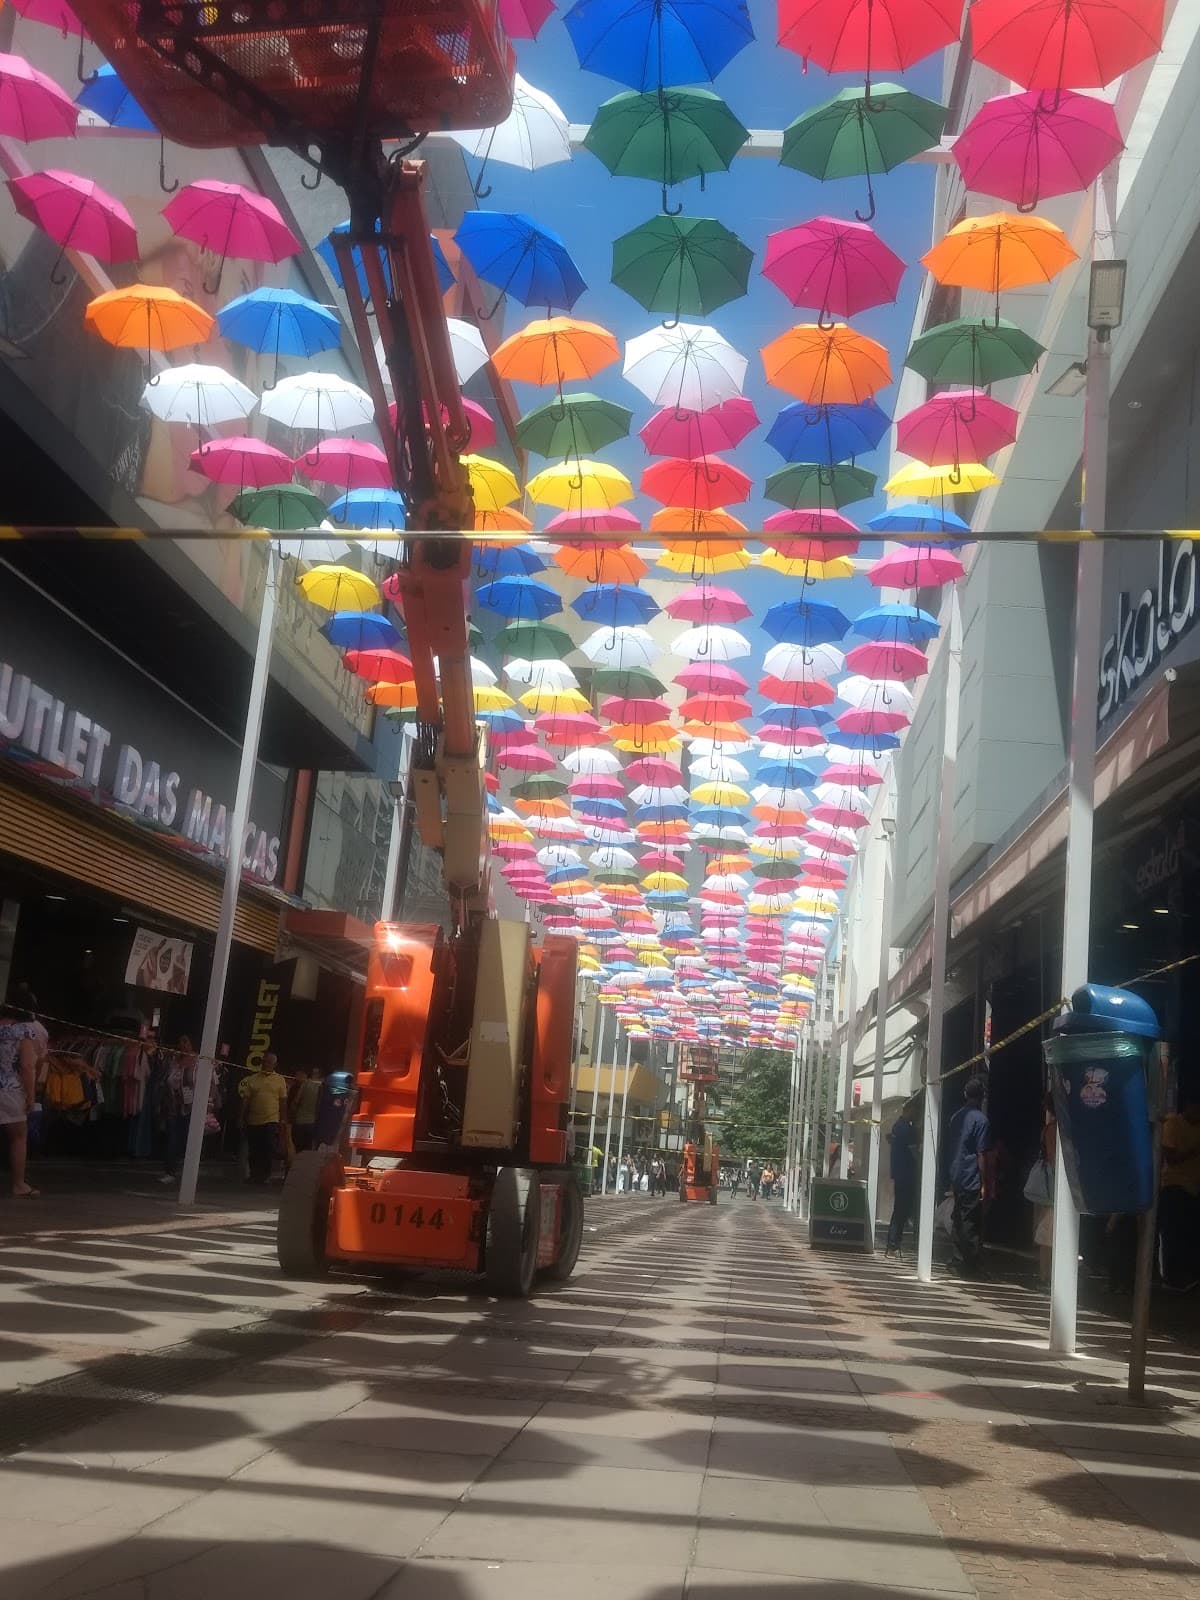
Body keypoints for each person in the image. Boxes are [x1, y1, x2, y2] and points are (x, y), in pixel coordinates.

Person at [945, 1077, 994, 1278]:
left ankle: (957, 1260)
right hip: (971, 1176)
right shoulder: (981, 1120)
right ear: (982, 1097)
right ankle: (971, 1265)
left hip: (956, 1174)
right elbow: (982, 1153)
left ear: (965, 1095)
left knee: (959, 1218)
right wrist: (985, 1182)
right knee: (971, 1221)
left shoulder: (955, 1117)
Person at [0, 996, 46, 1197]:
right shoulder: (22, 1032)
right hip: (11, 1090)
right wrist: (30, 1096)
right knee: (18, 1138)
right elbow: (27, 1066)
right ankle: (19, 1184)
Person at [1159, 1099, 1200, 1292]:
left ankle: (1187, 1274)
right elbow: (1170, 1157)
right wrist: (1191, 1152)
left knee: (1188, 1234)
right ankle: (1172, 1276)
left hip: (1193, 1188)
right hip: (1174, 1185)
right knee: (1173, 1233)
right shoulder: (1173, 1123)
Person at [238, 1052, 289, 1184]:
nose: (266, 1064)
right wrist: (241, 1116)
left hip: (271, 1120)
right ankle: (254, 1174)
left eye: (269, 1062)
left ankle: (265, 1175)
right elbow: (246, 1100)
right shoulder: (253, 1079)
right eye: (264, 1061)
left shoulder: (279, 1080)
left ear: (274, 1064)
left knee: (268, 1147)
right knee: (254, 1148)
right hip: (253, 1120)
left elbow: (283, 1101)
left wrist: (283, 1120)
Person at [159, 1037, 198, 1184]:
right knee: (172, 1139)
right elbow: (166, 1081)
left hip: (192, 1107)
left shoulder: (198, 1061)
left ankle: (187, 1172)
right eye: (180, 1042)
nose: (183, 1045)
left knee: (188, 1140)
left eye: (186, 1041)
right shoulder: (174, 1061)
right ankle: (170, 1171)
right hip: (174, 1106)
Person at [885, 1100, 920, 1258]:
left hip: (899, 1174)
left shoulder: (897, 1127)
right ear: (910, 1109)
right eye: (915, 1111)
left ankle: (893, 1244)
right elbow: (914, 1153)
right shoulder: (907, 1129)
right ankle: (893, 1244)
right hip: (907, 1175)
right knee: (902, 1210)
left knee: (899, 1210)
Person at [1032, 1095, 1057, 1285]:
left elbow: (1051, 1157)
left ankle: (1044, 1275)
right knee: (1050, 1232)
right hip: (1054, 1187)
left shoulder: (1050, 1129)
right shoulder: (1063, 1129)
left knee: (1044, 1232)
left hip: (1047, 1187)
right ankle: (1049, 1275)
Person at [289, 1066, 322, 1152]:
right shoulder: (322, 1086)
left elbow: (296, 1101)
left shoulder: (305, 1084)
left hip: (300, 1122)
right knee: (309, 1152)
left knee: (298, 1150)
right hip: (313, 1124)